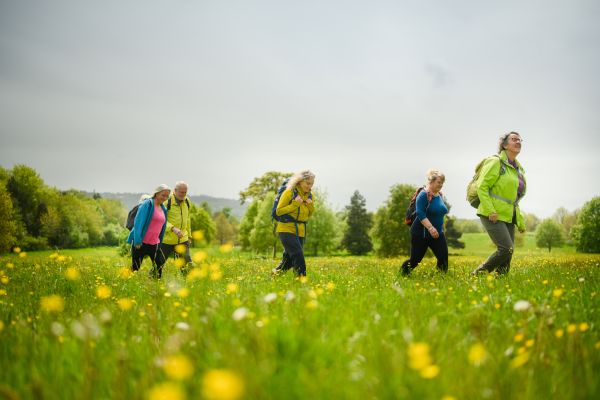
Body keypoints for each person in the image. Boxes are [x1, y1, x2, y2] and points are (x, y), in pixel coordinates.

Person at [471, 132, 527, 276]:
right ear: (504, 145)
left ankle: (500, 283)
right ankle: (477, 274)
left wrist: (519, 221)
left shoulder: (518, 168)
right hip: (492, 213)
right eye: (514, 139)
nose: (518, 142)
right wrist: (490, 210)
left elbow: (514, 198)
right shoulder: (495, 162)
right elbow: (482, 186)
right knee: (505, 248)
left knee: (509, 253)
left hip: (508, 215)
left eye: (519, 139)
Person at [400, 170, 449, 276]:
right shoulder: (423, 195)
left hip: (437, 233)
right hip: (421, 234)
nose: (441, 185)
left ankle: (440, 280)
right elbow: (420, 214)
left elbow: (439, 213)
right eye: (439, 182)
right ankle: (402, 275)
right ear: (431, 181)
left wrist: (440, 228)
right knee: (415, 260)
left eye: (442, 183)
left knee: (443, 259)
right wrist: (431, 228)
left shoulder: (439, 195)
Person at [271, 170, 316, 277]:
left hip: (300, 231)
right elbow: (279, 211)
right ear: (300, 181)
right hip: (286, 228)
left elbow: (307, 215)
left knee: (289, 260)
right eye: (308, 183)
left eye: (312, 184)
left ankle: (274, 275)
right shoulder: (289, 192)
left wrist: (310, 206)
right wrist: (295, 204)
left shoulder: (309, 196)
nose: (310, 187)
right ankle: (301, 281)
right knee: (298, 255)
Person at [127, 184, 170, 278]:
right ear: (156, 194)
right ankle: (125, 279)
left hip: (155, 243)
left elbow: (163, 226)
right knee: (135, 267)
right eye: (163, 195)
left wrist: (160, 241)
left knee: (159, 264)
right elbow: (138, 222)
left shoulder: (163, 209)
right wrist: (137, 240)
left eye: (167, 196)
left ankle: (154, 283)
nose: (165, 198)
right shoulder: (147, 204)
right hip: (142, 242)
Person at [159, 181, 193, 273]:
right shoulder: (167, 201)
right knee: (159, 264)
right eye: (181, 192)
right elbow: (161, 220)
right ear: (175, 191)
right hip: (167, 240)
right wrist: (172, 228)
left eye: (185, 192)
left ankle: (187, 284)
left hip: (183, 239)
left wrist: (189, 235)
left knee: (186, 264)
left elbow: (187, 219)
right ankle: (152, 281)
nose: (183, 194)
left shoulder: (187, 201)